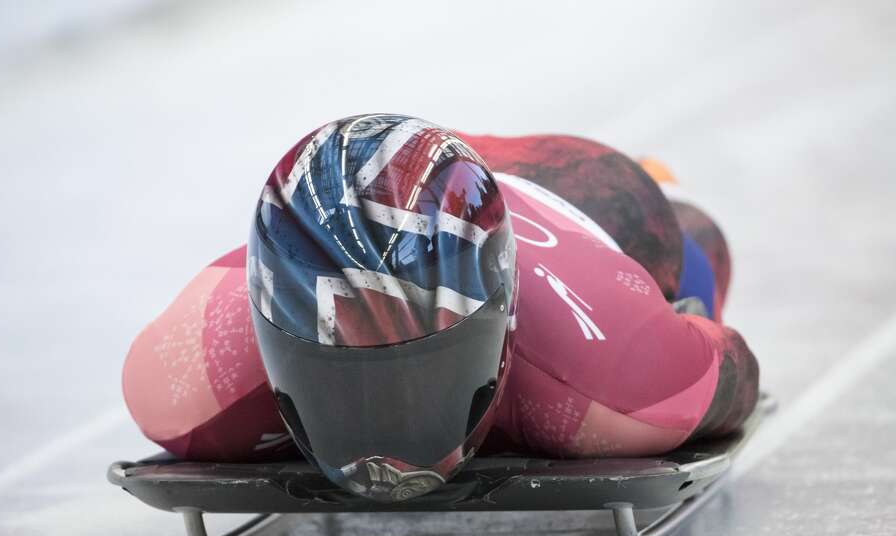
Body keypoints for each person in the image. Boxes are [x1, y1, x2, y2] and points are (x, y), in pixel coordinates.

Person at [123, 114, 759, 476]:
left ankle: (663, 191)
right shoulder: (184, 381)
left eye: (421, 378)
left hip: (596, 198)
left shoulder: (617, 378)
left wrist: (683, 325)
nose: (387, 453)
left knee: (700, 252)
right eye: (336, 383)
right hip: (453, 182)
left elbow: (727, 368)